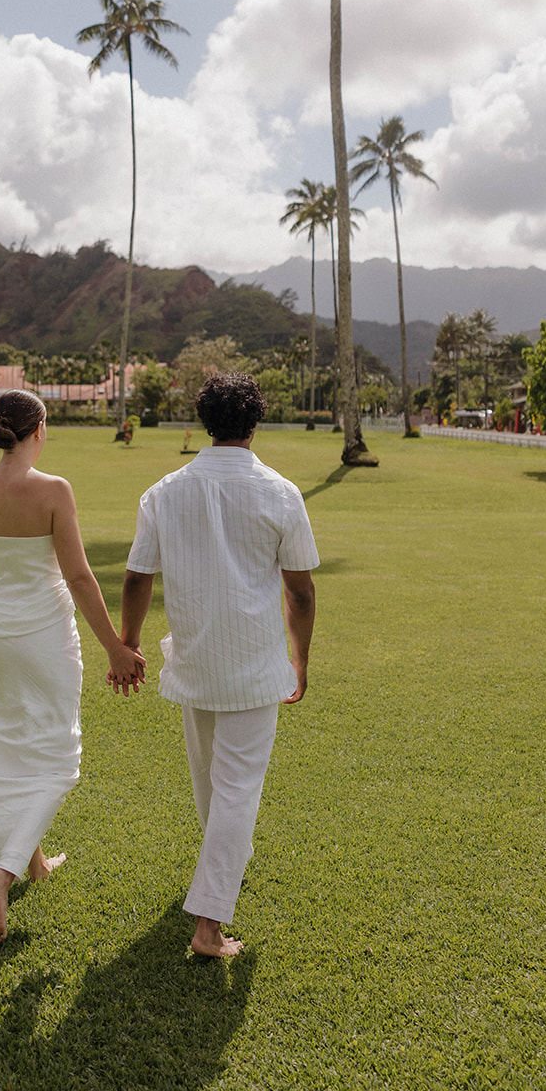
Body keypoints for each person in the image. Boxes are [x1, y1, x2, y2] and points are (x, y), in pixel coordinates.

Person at [117, 372, 318, 958]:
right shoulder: (281, 492)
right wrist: (299, 659)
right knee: (235, 791)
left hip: (196, 660)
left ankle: (218, 877)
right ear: (255, 423)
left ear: (206, 421)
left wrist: (129, 642)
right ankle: (208, 924)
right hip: (254, 663)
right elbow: (300, 593)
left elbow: (136, 577)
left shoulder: (164, 490)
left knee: (213, 787)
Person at [0, 389, 144, 944]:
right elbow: (80, 577)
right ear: (38, 431)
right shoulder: (54, 490)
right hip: (43, 632)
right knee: (59, 755)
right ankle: (5, 870)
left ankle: (32, 861)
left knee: (6, 743)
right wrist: (115, 646)